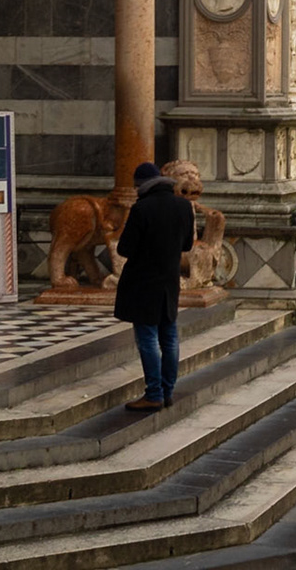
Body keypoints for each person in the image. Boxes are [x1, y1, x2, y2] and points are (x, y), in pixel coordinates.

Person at [114, 161, 195, 412]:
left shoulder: (142, 209)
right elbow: (187, 246)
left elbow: (124, 248)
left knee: (147, 337)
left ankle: (154, 394)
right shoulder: (183, 205)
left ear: (140, 185)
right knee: (169, 336)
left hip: (142, 282)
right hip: (169, 280)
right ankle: (167, 391)